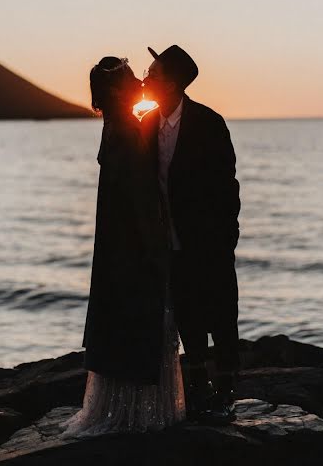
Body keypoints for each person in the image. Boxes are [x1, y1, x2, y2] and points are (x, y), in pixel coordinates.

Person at [61, 57, 185, 437]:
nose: (139, 82)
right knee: (142, 319)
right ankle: (138, 414)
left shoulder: (116, 127)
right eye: (132, 78)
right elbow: (140, 198)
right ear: (116, 91)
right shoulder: (127, 133)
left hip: (120, 244)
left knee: (126, 321)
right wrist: (156, 247)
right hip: (133, 245)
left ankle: (125, 409)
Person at [141, 45, 241, 423]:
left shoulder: (209, 122)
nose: (146, 79)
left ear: (173, 82)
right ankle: (197, 385)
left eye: (153, 73)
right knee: (186, 313)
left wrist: (226, 239)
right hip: (169, 241)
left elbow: (227, 186)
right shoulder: (147, 125)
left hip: (209, 239)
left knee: (221, 313)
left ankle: (228, 388)